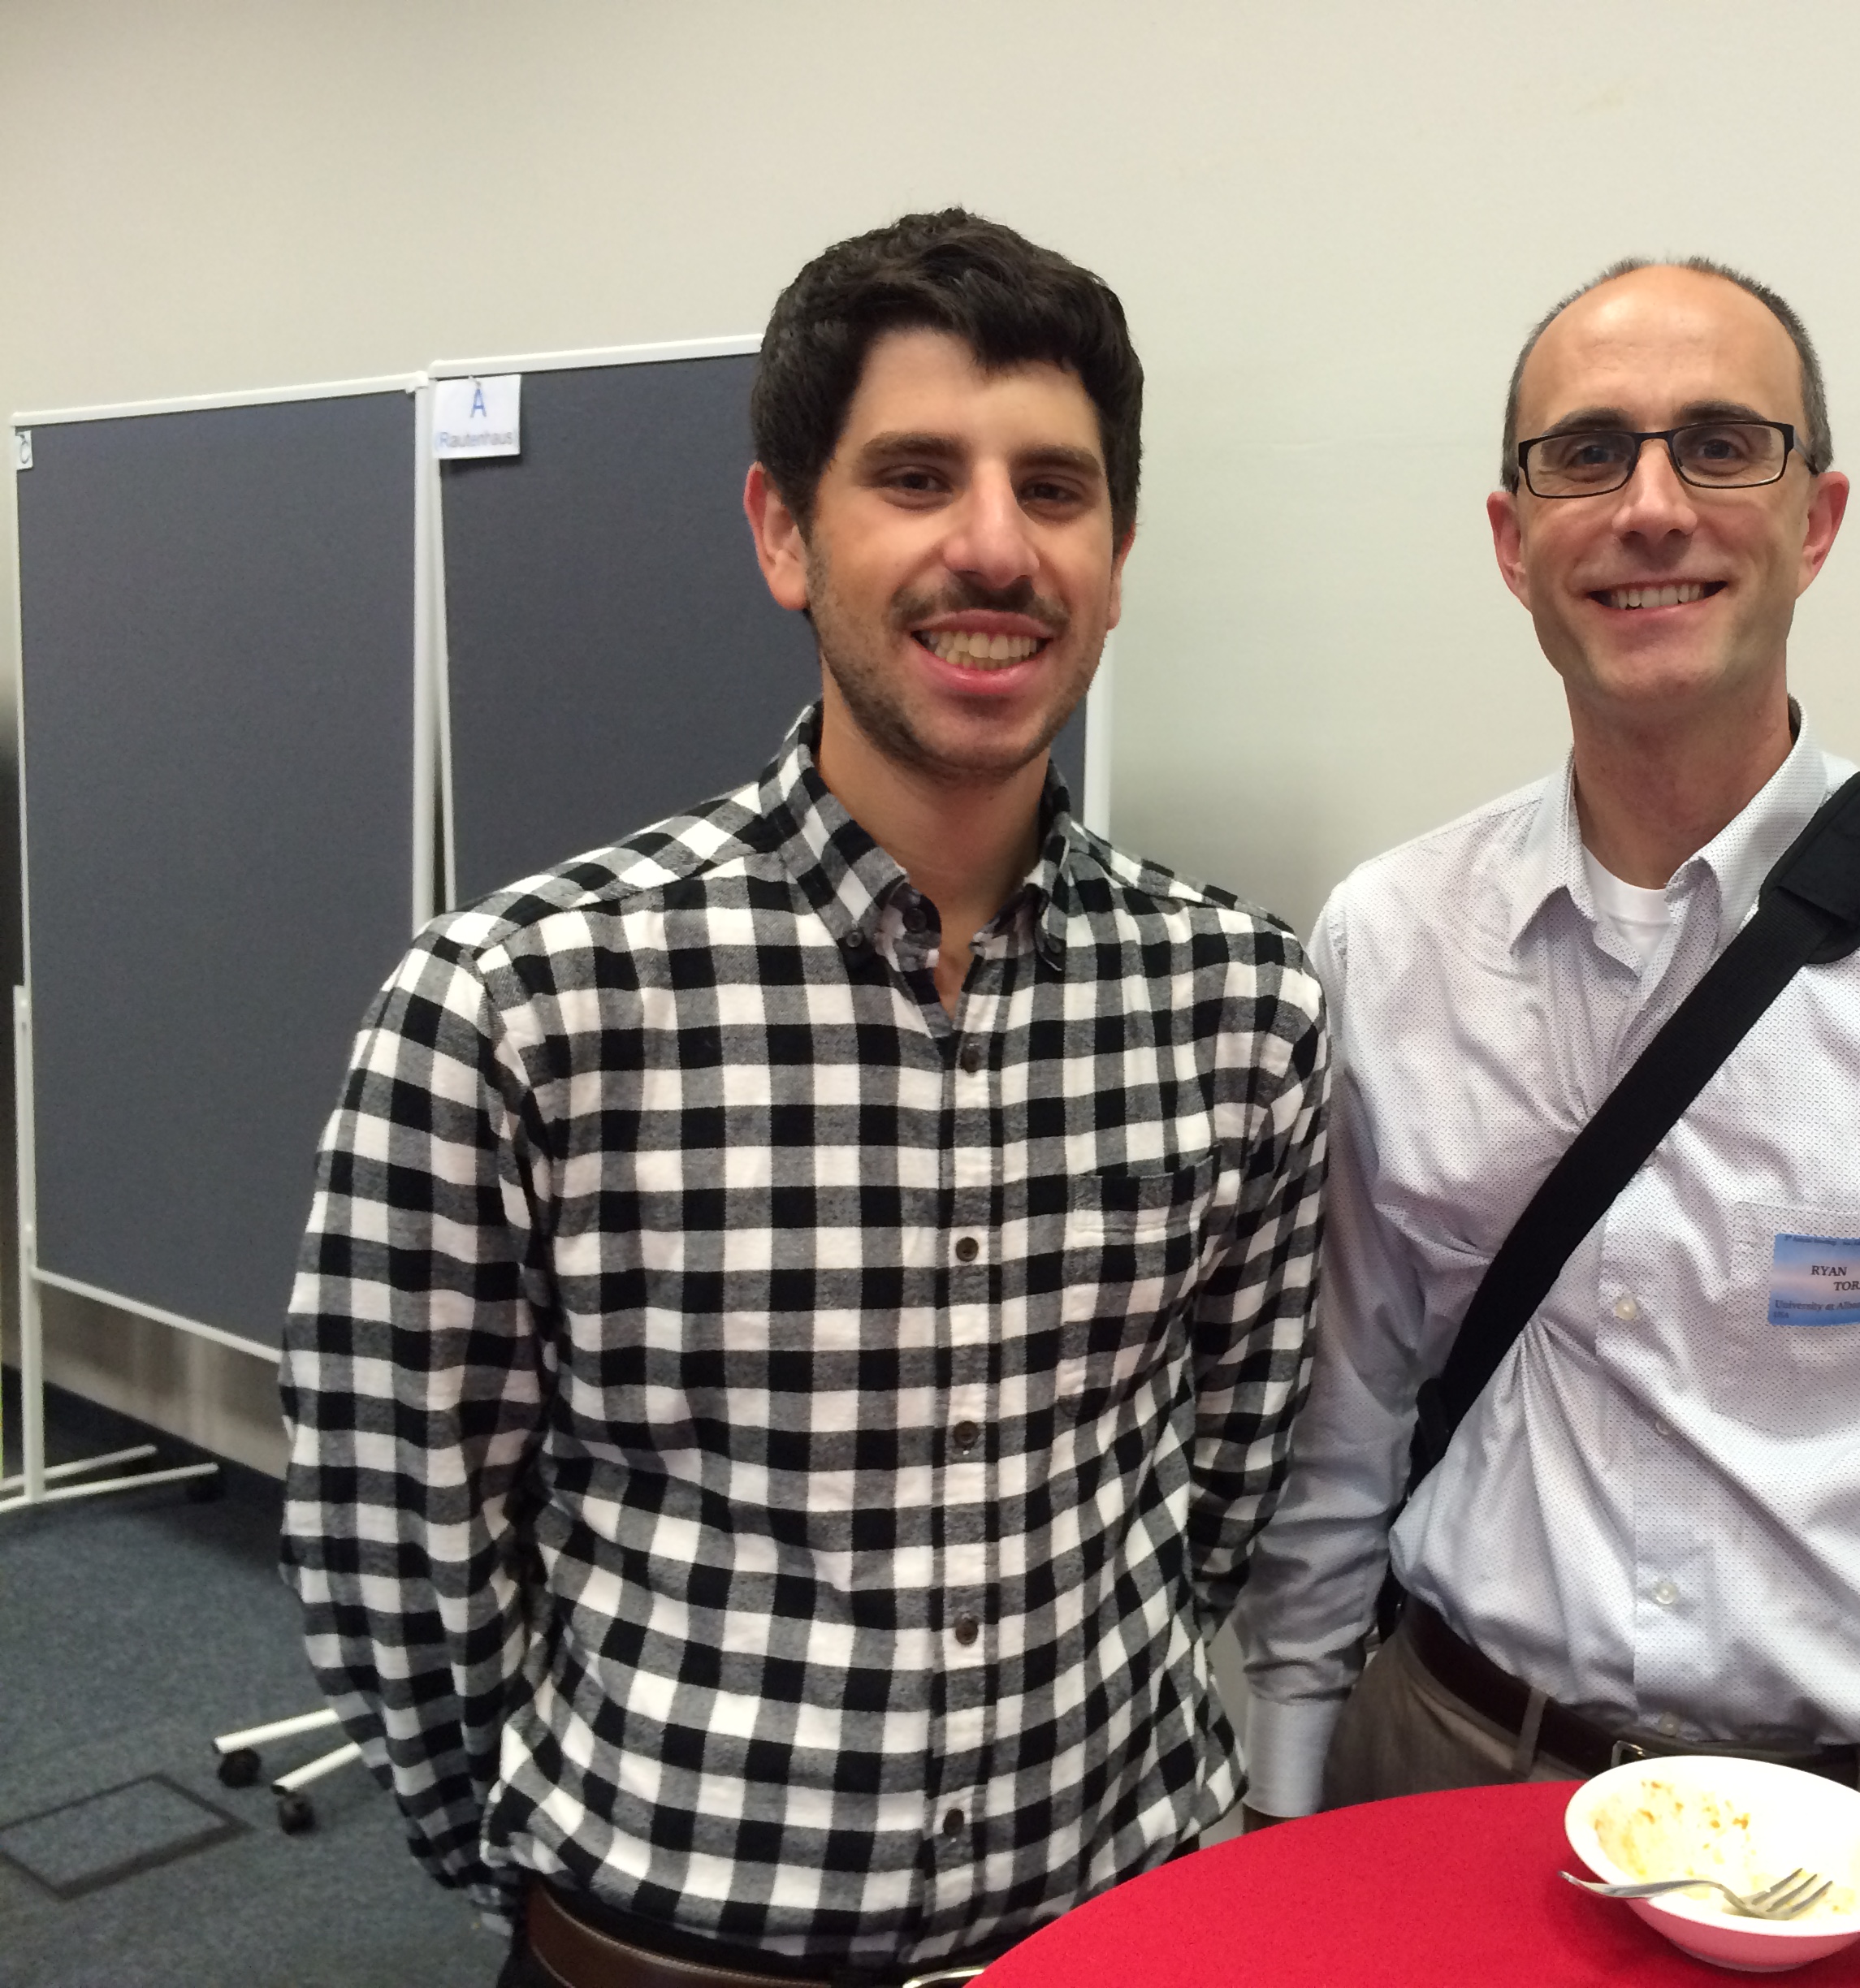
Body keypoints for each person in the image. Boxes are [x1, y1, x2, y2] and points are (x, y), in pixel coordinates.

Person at [280, 210, 1330, 1985]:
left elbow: (1222, 1483)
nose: (992, 544)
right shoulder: (521, 1006)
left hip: (1116, 1929)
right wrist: (545, 1873)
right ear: (785, 532)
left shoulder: (1242, 1004)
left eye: (1054, 490)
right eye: (915, 477)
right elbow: (401, 1538)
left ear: (1118, 556)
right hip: (667, 1951)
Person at [1235, 257, 1860, 1848]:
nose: (1652, 507)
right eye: (1588, 453)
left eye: (1721, 446)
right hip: (1451, 1776)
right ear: (1514, 542)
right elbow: (1341, 1427)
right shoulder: (1393, 939)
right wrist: (1278, 1815)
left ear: (1816, 519)